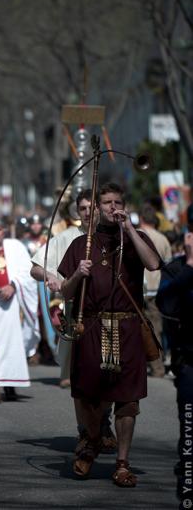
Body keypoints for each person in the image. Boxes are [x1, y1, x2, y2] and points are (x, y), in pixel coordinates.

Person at [58, 182, 160, 487]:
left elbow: (154, 264)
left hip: (128, 327)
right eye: (107, 203)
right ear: (97, 207)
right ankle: (90, 443)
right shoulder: (81, 244)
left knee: (128, 402)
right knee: (90, 395)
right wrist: (79, 273)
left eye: (117, 202)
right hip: (91, 326)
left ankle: (122, 463)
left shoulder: (136, 237)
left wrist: (129, 229)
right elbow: (65, 289)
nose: (112, 208)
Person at [30, 189, 117, 454]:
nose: (89, 213)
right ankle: (85, 431)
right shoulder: (65, 238)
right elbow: (35, 267)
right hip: (77, 316)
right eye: (83, 208)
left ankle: (103, 422)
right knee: (80, 378)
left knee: (110, 374)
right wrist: (50, 277)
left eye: (93, 207)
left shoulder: (113, 238)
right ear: (76, 212)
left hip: (109, 318)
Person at [0, 216, 38, 404]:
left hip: (12, 302)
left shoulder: (14, 248)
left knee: (12, 345)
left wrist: (12, 286)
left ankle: (10, 386)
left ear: (3, 231)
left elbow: (27, 271)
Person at [156, 229, 193, 505]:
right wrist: (190, 267)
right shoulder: (177, 269)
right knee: (189, 432)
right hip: (189, 362)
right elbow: (165, 302)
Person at [139, 204, 172, 377]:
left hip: (137, 290)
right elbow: (169, 265)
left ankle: (137, 367)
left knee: (135, 329)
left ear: (142, 218)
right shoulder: (163, 239)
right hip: (157, 290)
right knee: (155, 329)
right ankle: (158, 368)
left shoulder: (136, 235)